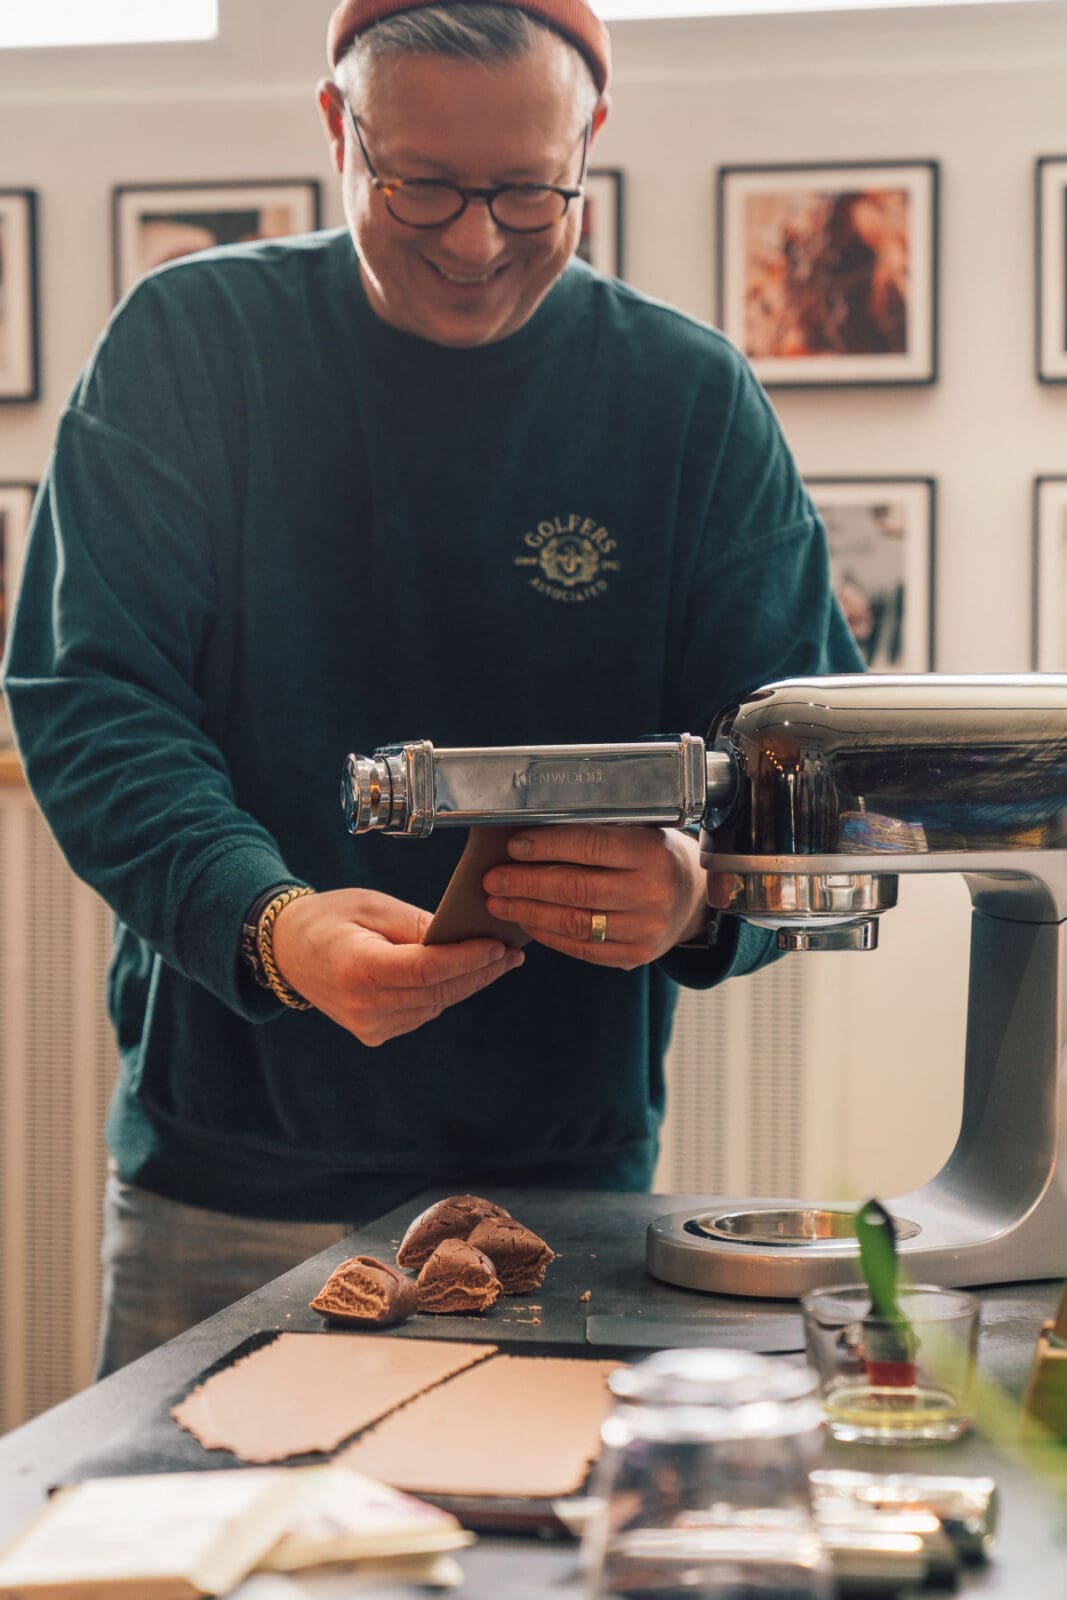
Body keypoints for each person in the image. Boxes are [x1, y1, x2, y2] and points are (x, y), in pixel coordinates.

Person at [1, 0, 864, 1376]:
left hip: (561, 1188)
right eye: (423, 188)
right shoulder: (188, 346)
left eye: (529, 193)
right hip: (230, 1175)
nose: (475, 243)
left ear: (590, 139)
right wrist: (268, 924)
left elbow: (810, 767)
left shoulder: (687, 399)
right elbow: (93, 698)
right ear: (339, 129)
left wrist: (699, 894)